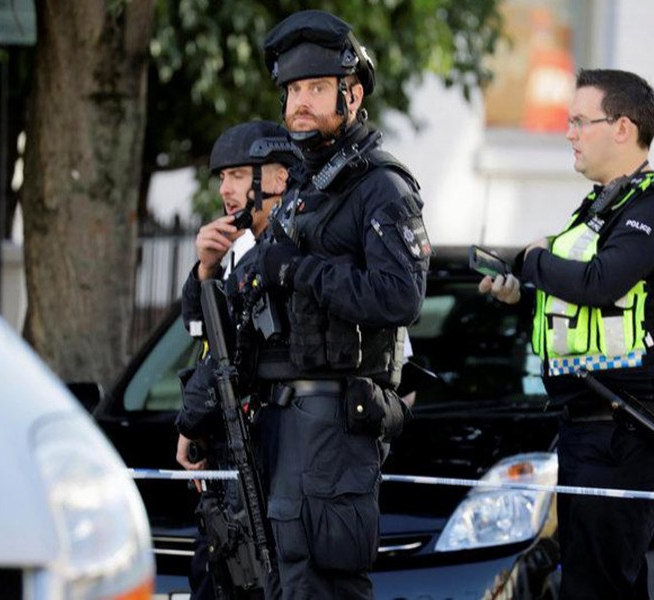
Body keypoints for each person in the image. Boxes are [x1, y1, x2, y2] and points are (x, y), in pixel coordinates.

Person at [220, 10, 430, 599]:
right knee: (285, 579)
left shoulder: (381, 187)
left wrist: (299, 269)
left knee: (322, 584)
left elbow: (401, 295)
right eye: (291, 91)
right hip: (280, 418)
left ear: (351, 94)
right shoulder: (305, 191)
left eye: (315, 89)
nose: (299, 104)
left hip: (335, 422)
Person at [479, 69, 654, 599]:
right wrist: (521, 287)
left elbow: (602, 283)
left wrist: (534, 261)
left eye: (580, 121)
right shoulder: (601, 208)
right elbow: (584, 299)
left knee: (597, 586)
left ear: (623, 128)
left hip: (632, 426)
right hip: (589, 423)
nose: (570, 134)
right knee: (599, 582)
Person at [175, 120, 297, 600]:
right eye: (221, 177)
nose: (225, 189)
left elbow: (238, 354)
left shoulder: (280, 251)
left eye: (238, 175)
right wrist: (204, 271)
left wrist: (189, 422)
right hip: (227, 452)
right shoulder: (233, 248)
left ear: (276, 179)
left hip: (265, 455)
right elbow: (200, 332)